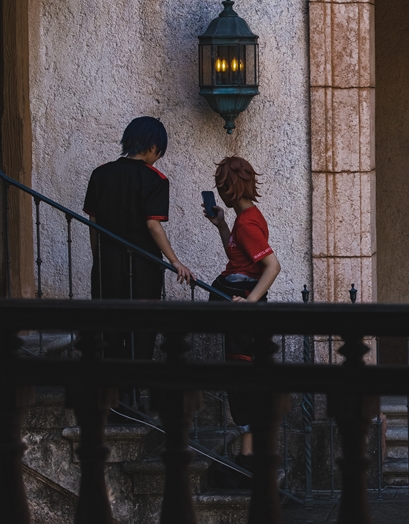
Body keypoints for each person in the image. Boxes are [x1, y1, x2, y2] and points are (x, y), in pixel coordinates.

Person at [84, 116, 194, 413]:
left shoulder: (100, 174)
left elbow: (93, 222)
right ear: (153, 146)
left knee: (109, 328)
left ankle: (113, 396)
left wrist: (98, 258)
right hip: (143, 266)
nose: (158, 157)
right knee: (141, 329)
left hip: (107, 263)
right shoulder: (155, 179)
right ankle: (131, 397)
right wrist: (175, 261)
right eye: (160, 151)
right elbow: (152, 224)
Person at [205, 156, 281, 460]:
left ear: (229, 188)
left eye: (221, 186)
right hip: (238, 304)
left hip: (242, 312)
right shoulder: (245, 218)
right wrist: (222, 225)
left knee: (241, 374)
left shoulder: (248, 224)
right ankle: (248, 455)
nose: (219, 192)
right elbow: (239, 257)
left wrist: (249, 302)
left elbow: (272, 266)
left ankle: (249, 457)